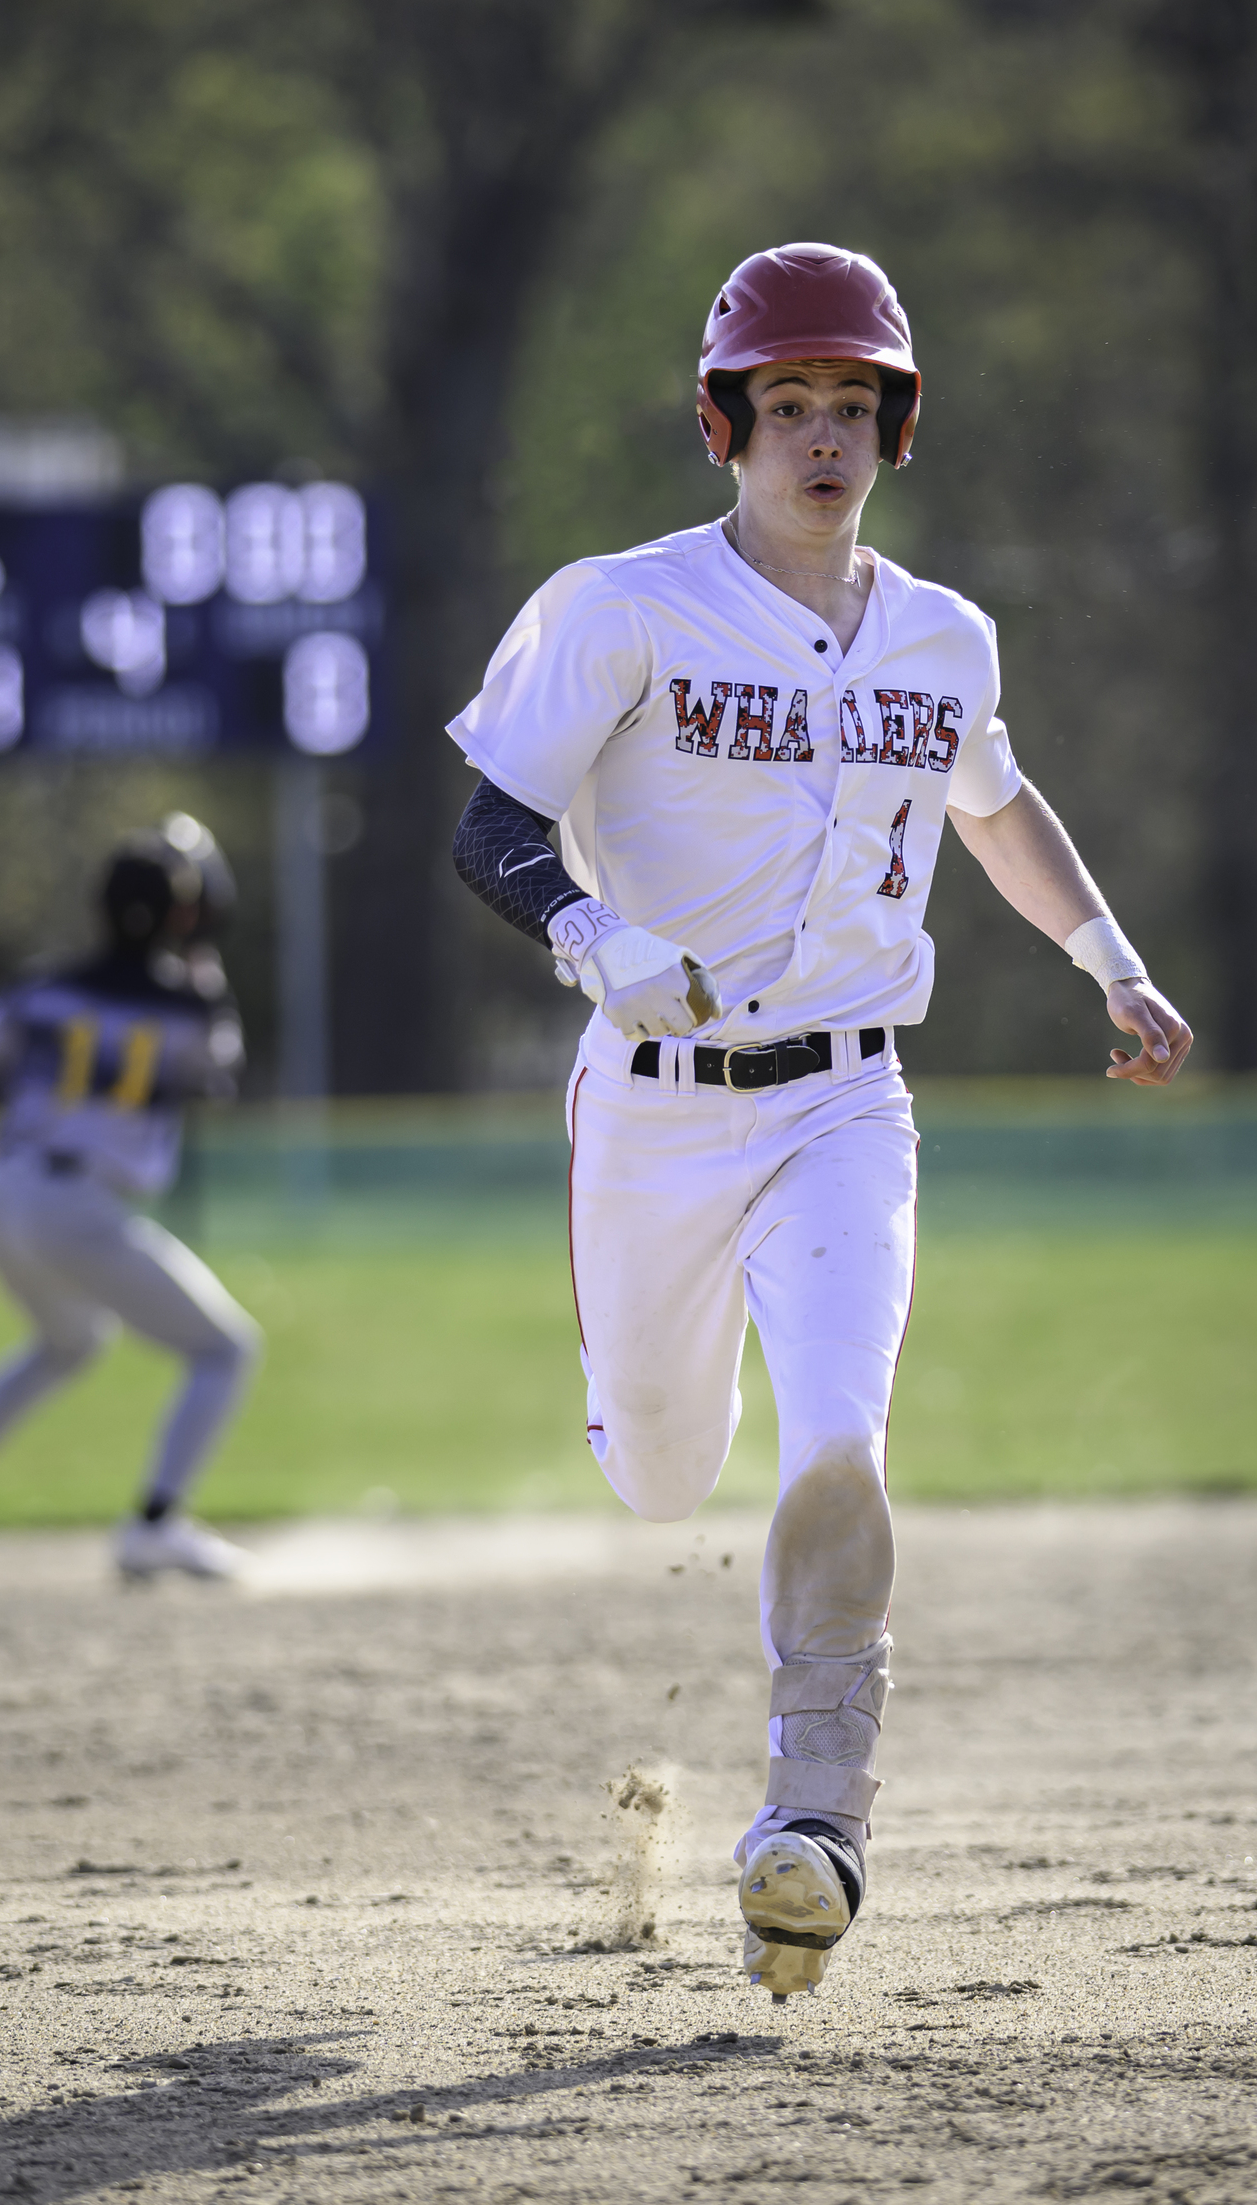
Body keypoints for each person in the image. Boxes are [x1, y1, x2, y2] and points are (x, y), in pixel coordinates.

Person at [448, 242, 1192, 1999]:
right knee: (663, 1474)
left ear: (896, 427)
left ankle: (815, 1825)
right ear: (726, 424)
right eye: (789, 402)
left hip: (848, 1098)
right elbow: (489, 824)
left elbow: (996, 806)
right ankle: (634, 1425)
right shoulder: (621, 603)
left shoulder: (944, 634)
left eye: (855, 401)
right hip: (650, 1117)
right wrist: (590, 930)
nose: (824, 434)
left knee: (840, 1441)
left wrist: (1111, 961)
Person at [0, 812, 261, 1581]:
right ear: (183, 916)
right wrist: (204, 975)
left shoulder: (41, 990)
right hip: (76, 1204)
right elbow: (221, 1078)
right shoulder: (187, 1005)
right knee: (224, 1349)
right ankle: (155, 1523)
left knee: (70, 1343)